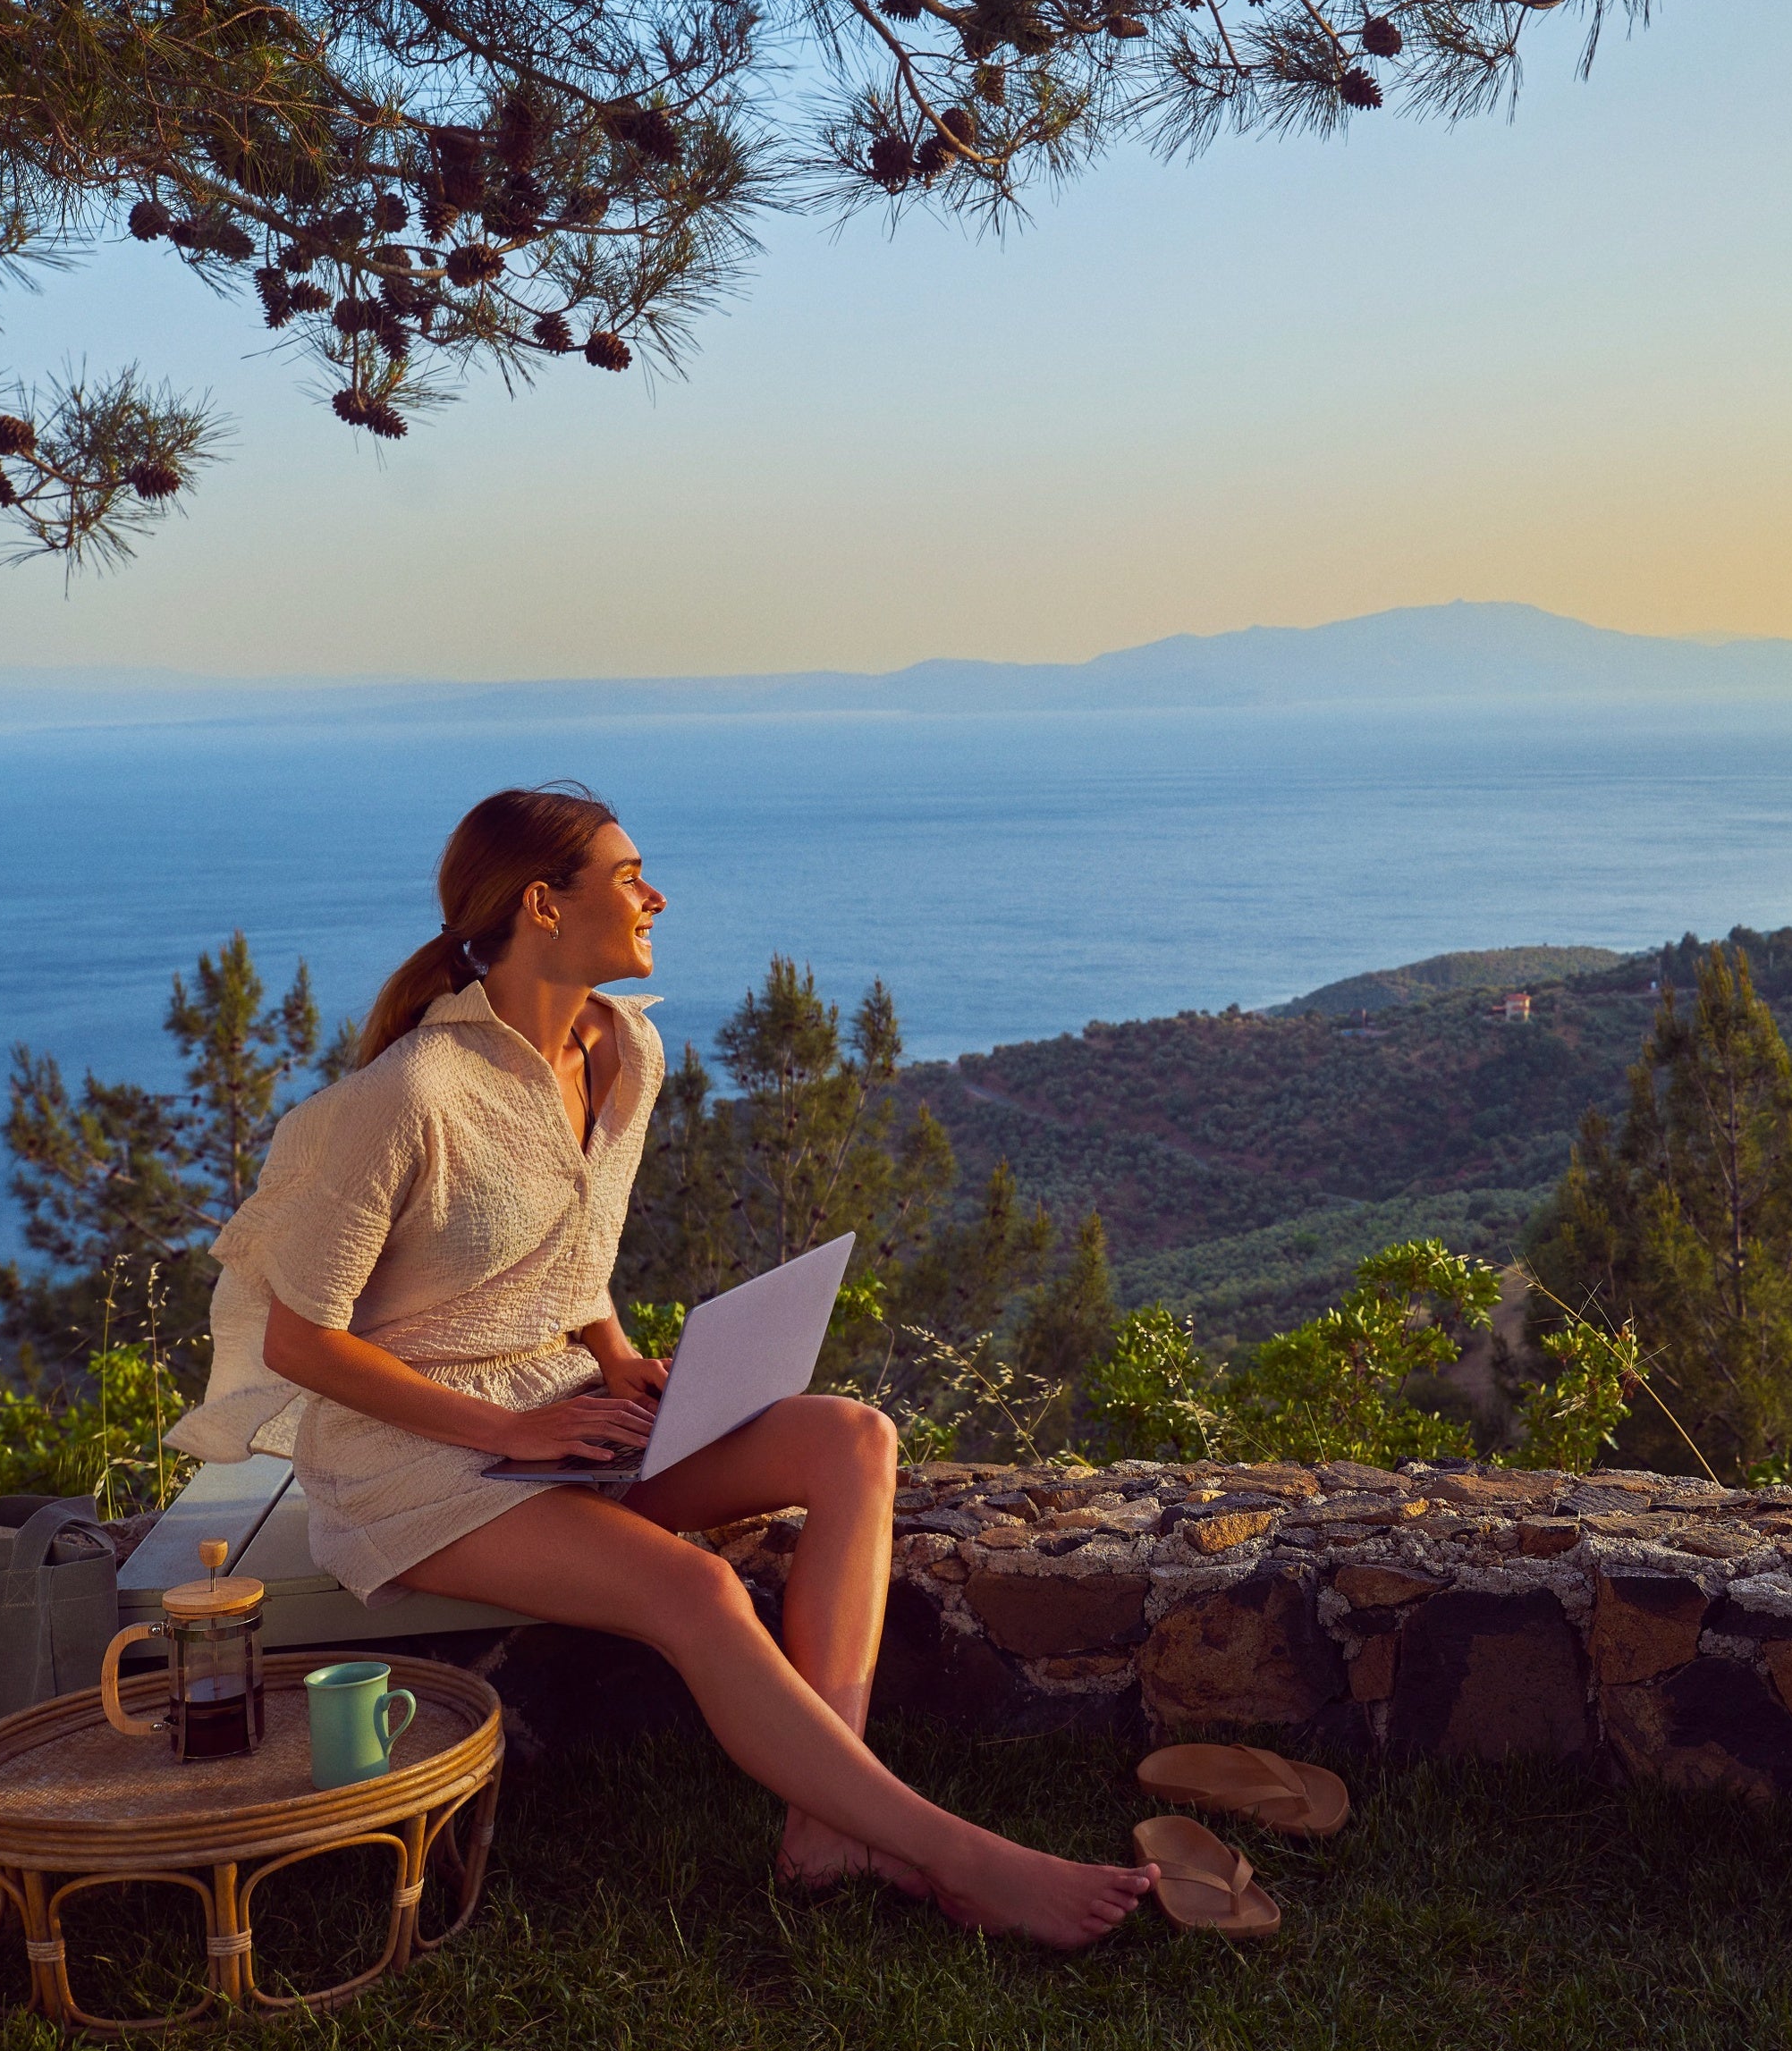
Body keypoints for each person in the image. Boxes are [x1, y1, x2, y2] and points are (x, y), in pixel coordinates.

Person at [170, 783, 1150, 1946]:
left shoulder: (623, 1048)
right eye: (630, 875)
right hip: (416, 1466)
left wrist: (618, 1354)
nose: (657, 897)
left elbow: (566, 1244)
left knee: (852, 1438)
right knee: (699, 1590)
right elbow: (299, 1340)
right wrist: (507, 1431)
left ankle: (824, 1818)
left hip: (563, 1417)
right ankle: (965, 1858)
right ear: (544, 904)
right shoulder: (406, 1097)